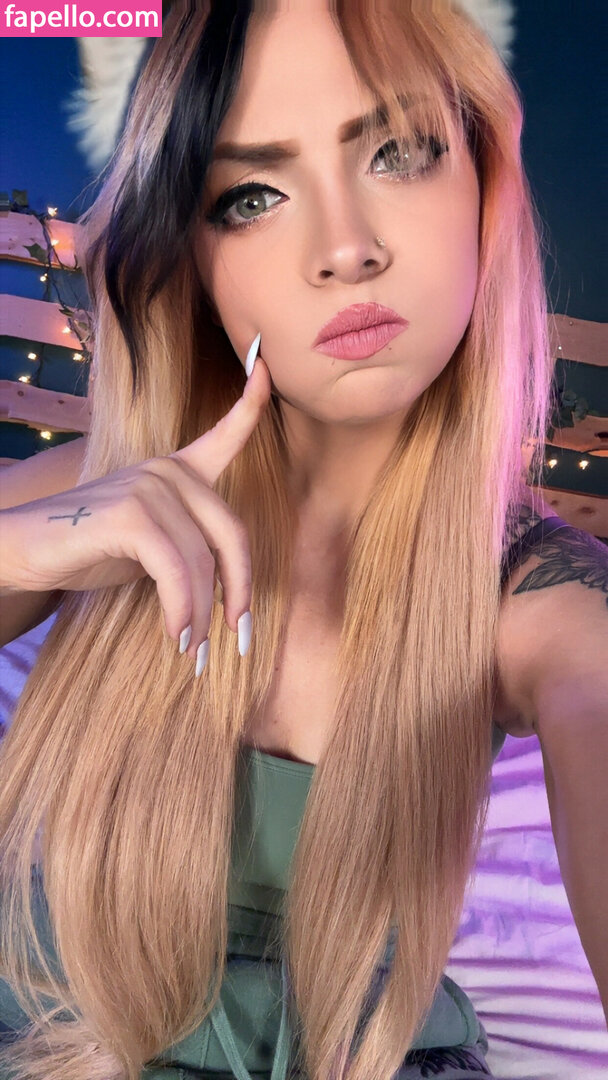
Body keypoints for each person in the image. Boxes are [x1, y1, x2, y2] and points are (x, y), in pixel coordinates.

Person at [1, 2, 606, 1079]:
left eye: (398, 151)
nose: (344, 249)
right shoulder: (97, 490)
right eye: (252, 196)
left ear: (482, 181)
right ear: (191, 261)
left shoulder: (541, 598)